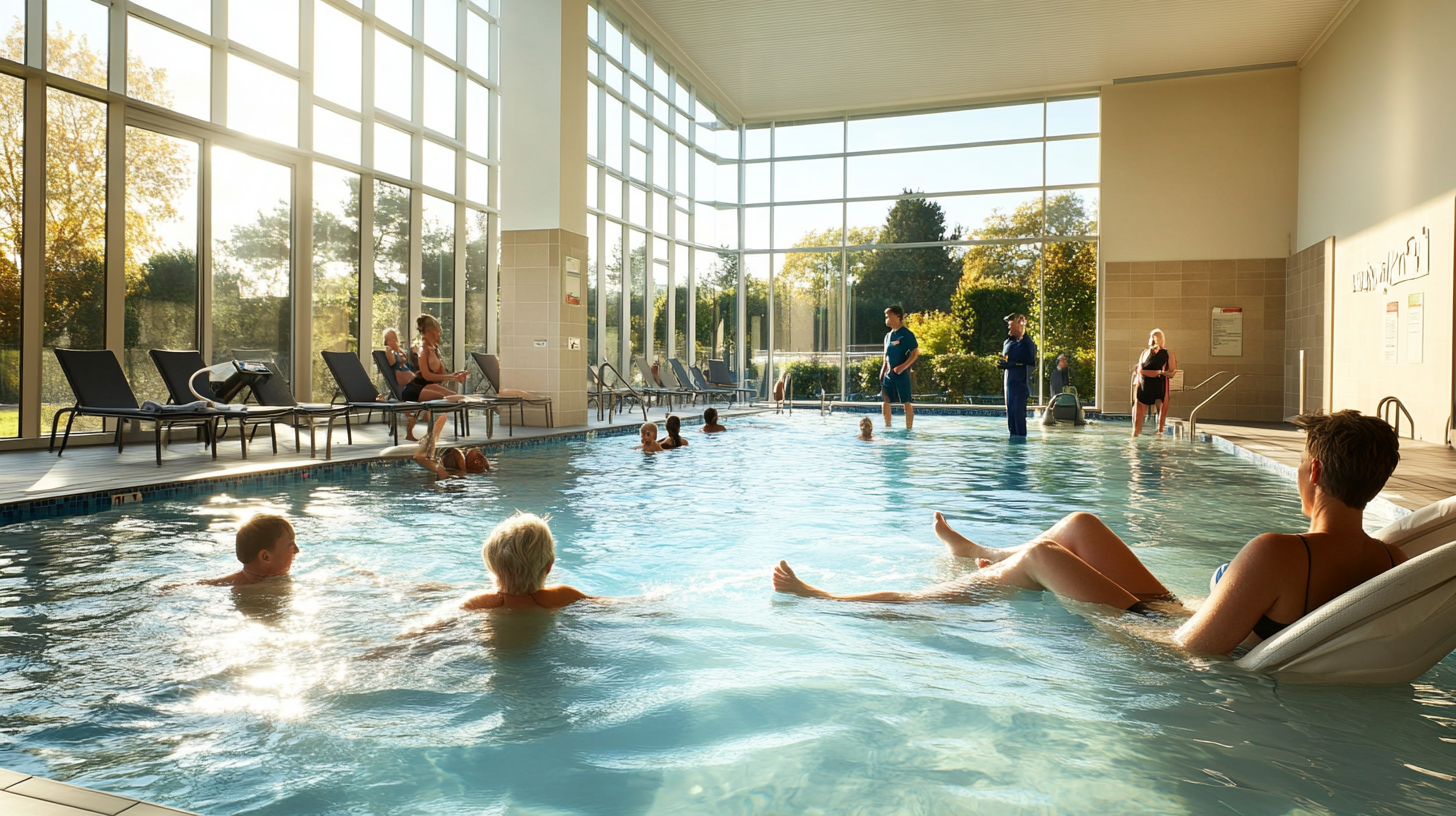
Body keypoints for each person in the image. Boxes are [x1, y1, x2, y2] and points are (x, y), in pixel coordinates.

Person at [774, 410, 1405, 655]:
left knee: (1048, 555)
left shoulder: (1279, 552)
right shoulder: (1388, 558)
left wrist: (1109, 625)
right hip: (1178, 610)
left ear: (1315, 472)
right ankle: (985, 555)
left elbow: (1189, 651)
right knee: (1081, 523)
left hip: (1163, 628)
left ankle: (855, 601)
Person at [462, 512, 595, 611]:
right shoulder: (562, 596)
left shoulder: (478, 602)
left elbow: (442, 621)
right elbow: (610, 606)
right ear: (549, 566)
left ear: (491, 567)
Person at [199, 514, 299, 587]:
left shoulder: (279, 578)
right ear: (265, 557)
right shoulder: (243, 590)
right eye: (291, 545)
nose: (297, 550)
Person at [413, 415, 491, 480]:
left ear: (442, 461)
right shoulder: (467, 473)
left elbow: (418, 457)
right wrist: (486, 465)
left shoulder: (443, 473)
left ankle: (433, 436)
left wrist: (434, 436)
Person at [880, 305, 919, 430]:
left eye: (888, 316)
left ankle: (909, 429)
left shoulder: (906, 334)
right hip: (888, 374)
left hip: (901, 374)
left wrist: (903, 367)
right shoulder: (888, 336)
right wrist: (883, 370)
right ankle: (887, 427)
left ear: (897, 316)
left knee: (906, 401)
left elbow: (915, 353)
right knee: (886, 400)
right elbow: (886, 355)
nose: (886, 319)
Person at [999, 313, 1037, 438]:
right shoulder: (1008, 342)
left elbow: (1030, 361)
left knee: (1018, 415)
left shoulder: (1028, 343)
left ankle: (1020, 442)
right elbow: (1006, 354)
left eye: (1011, 325)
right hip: (1009, 383)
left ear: (1020, 324)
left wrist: (1011, 364)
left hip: (1020, 384)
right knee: (1011, 415)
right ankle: (1013, 438)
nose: (1009, 329)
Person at [1133, 329, 1177, 436]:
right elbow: (1139, 370)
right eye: (1152, 337)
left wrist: (1160, 372)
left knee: (1160, 421)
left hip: (1159, 386)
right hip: (1144, 385)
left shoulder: (1167, 354)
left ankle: (1159, 437)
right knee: (1137, 420)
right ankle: (1134, 438)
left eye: (1156, 338)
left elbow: (1172, 372)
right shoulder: (1144, 353)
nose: (1153, 340)